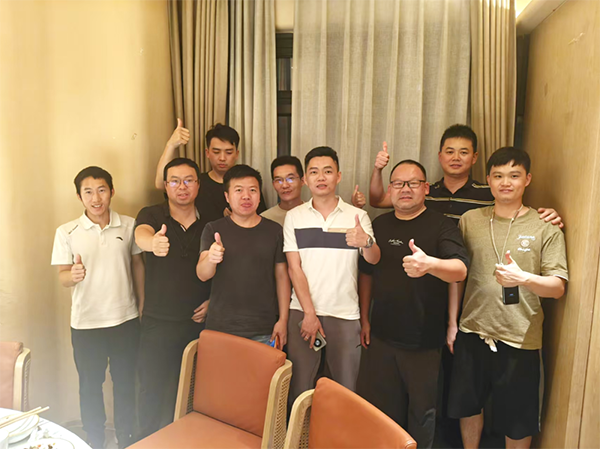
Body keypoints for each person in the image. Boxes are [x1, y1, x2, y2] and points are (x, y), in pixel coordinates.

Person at [447, 147, 568, 449]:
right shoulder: (470, 220)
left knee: (518, 418)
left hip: (520, 337)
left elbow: (557, 287)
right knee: (468, 406)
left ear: (527, 179)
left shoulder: (545, 226)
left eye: (514, 176)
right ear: (488, 180)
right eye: (498, 176)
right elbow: (459, 275)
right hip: (473, 330)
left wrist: (523, 279)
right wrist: (453, 323)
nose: (505, 183)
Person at [356, 160, 469, 449]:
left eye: (413, 183)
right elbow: (366, 273)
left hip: (424, 340)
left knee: (423, 413)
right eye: (398, 183)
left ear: (426, 188)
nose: (405, 189)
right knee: (382, 412)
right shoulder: (379, 224)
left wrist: (430, 264)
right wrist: (365, 319)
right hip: (381, 337)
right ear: (390, 189)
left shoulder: (442, 225)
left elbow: (460, 270)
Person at [51, 166, 144, 449]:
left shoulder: (129, 225)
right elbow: (62, 276)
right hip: (86, 324)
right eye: (88, 192)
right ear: (79, 196)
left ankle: (126, 438)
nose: (96, 198)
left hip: (125, 320)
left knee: (125, 383)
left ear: (111, 191)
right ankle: (94, 440)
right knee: (89, 387)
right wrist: (73, 275)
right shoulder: (66, 231)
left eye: (102, 190)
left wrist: (142, 305)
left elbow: (137, 266)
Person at [283, 146, 381, 404]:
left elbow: (373, 259)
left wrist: (366, 242)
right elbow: (294, 268)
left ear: (338, 176)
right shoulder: (294, 217)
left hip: (345, 314)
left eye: (327, 171)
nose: (321, 177)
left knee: (346, 391)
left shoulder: (358, 216)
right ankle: (300, 431)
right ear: (305, 179)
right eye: (314, 172)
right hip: (302, 313)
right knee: (300, 389)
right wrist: (309, 313)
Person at [134, 158, 211, 439]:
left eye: (188, 180)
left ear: (198, 185)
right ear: (165, 186)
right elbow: (141, 234)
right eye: (175, 181)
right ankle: (148, 441)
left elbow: (224, 267)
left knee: (194, 392)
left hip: (199, 322)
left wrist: (213, 302)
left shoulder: (211, 219)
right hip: (159, 321)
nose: (182, 187)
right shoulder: (153, 215)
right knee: (152, 389)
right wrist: (152, 243)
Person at [196, 164, 289, 347]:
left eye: (252, 190)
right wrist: (211, 258)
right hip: (220, 327)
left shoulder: (274, 230)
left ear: (259, 195)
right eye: (238, 190)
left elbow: (282, 276)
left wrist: (283, 320)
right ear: (227, 196)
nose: (246, 196)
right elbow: (202, 274)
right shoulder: (214, 229)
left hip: (264, 328)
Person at [154, 121, 266, 222]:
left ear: (237, 154)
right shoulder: (195, 182)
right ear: (207, 153)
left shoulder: (248, 185)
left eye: (228, 152)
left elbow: (261, 220)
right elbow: (160, 184)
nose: (222, 158)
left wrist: (241, 217)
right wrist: (171, 145)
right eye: (216, 152)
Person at [261, 155, 305, 226]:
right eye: (279, 180)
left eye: (290, 179)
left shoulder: (315, 214)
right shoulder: (264, 219)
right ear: (273, 184)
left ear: (302, 181)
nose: (285, 185)